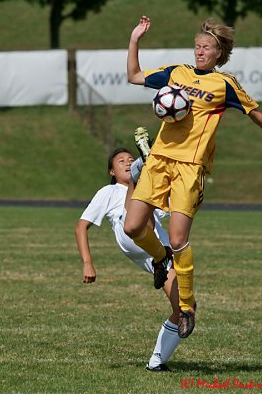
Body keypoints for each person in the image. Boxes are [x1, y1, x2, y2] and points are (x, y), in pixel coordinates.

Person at [124, 15, 262, 339]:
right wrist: (135, 40)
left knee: (178, 240)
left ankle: (187, 306)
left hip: (190, 167)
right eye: (198, 46)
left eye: (207, 48)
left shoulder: (224, 84)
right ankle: (160, 260)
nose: (200, 52)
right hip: (159, 159)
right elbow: (134, 76)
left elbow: (254, 113)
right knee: (132, 227)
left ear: (220, 53)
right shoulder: (177, 73)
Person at [75, 141, 182, 372]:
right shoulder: (109, 191)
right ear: (112, 172)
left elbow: (175, 209)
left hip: (160, 254)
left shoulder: (154, 188)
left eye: (130, 160)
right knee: (139, 209)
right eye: (121, 161)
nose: (126, 162)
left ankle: (157, 362)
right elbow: (81, 227)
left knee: (184, 309)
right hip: (131, 236)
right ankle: (143, 176)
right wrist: (87, 263)